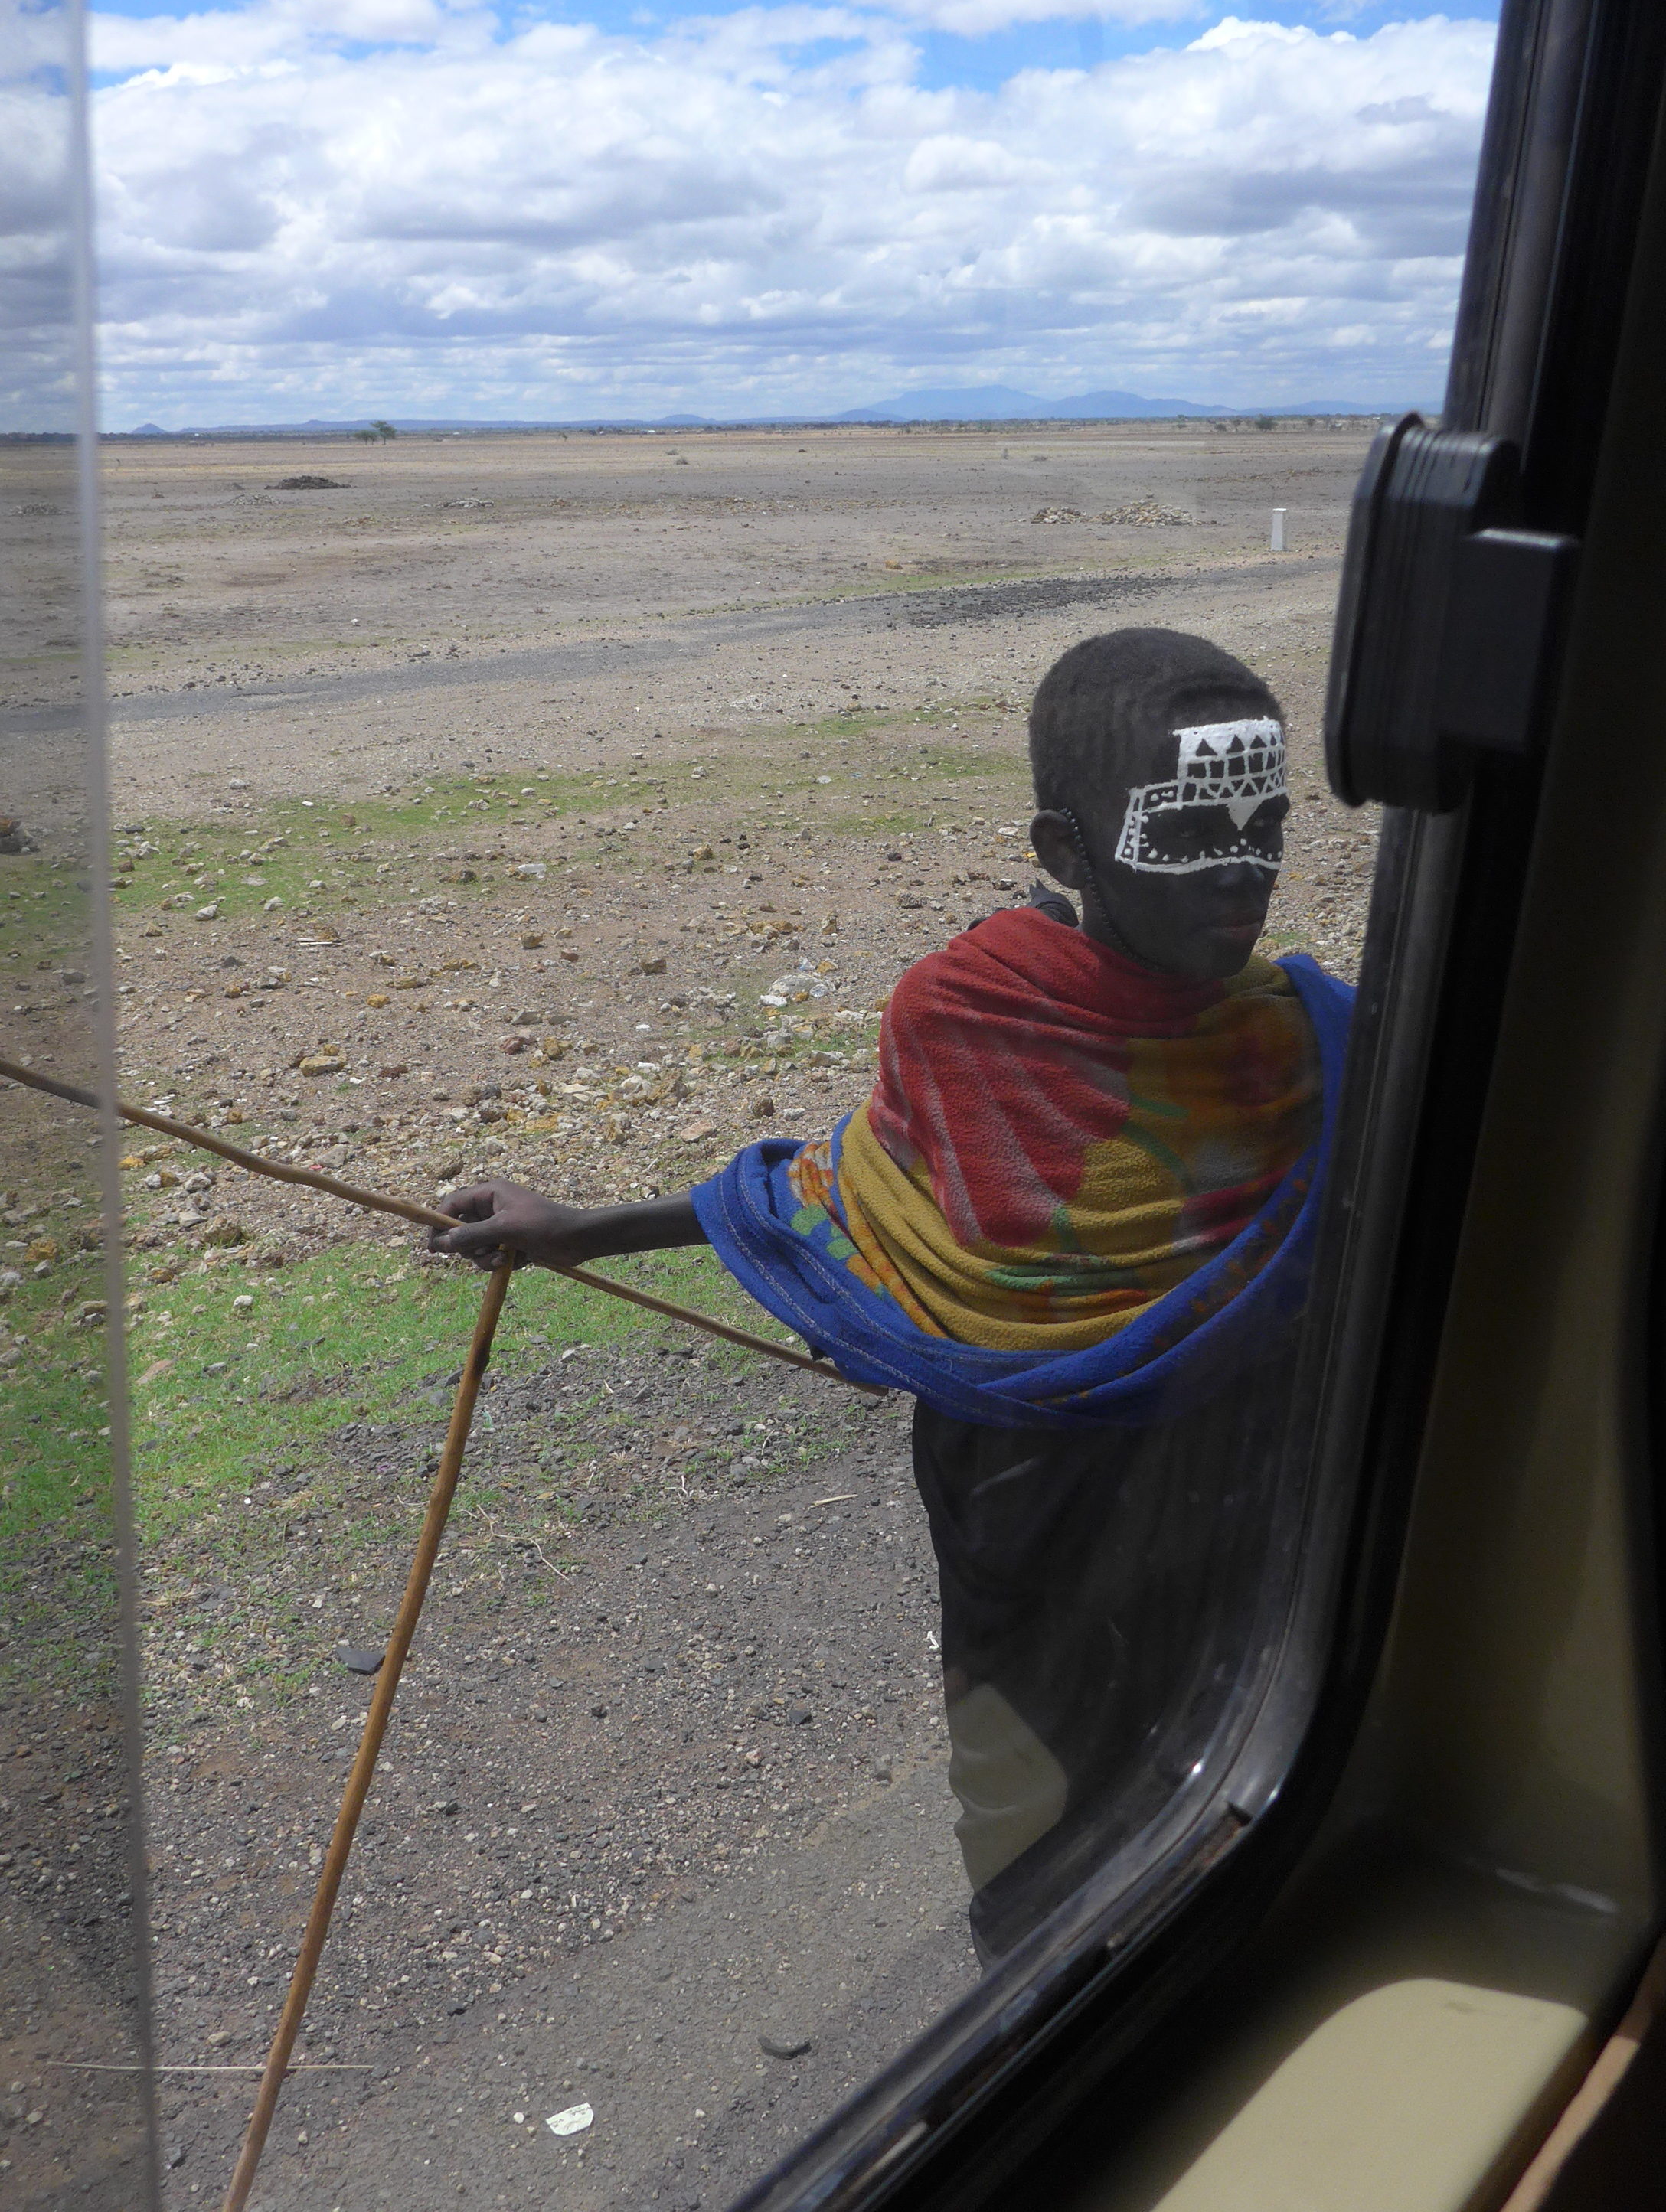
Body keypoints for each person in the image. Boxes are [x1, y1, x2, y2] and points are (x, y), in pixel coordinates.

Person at [430, 628, 1354, 1958]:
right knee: (1033, 1821)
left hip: (1239, 1507)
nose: (1242, 875)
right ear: (1065, 851)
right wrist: (583, 1230)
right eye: (1189, 828)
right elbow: (860, 1191)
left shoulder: (1308, 1036)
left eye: (1266, 826)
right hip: (1022, 1520)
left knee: (1230, 1790)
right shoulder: (966, 1016)